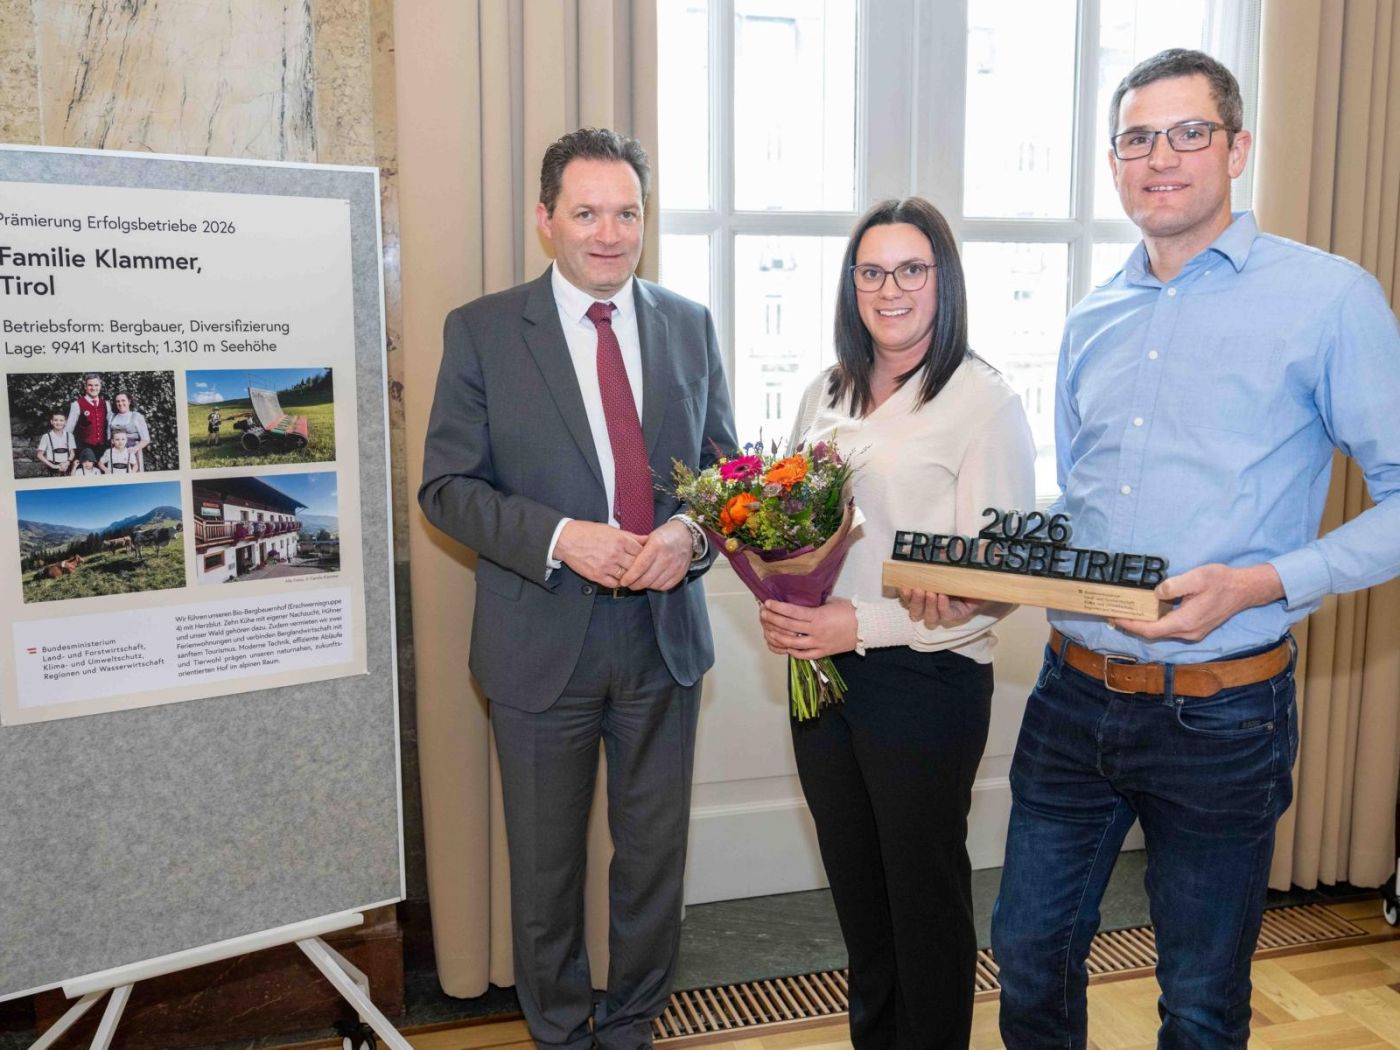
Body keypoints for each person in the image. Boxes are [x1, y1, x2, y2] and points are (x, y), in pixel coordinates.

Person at [991, 49, 1400, 1049]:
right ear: (1112, 163)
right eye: (1136, 138)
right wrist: (992, 569)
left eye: (1187, 133)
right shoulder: (1093, 315)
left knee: (1201, 1000)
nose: (1160, 157)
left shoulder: (1329, 299)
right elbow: (1085, 502)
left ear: (1237, 148)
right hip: (1069, 697)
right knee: (1028, 960)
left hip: (1222, 717)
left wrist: (1261, 582)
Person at [418, 127, 737, 1050]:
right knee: (545, 872)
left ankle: (631, 1026)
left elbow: (727, 474)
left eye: (627, 213)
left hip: (663, 641)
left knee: (653, 863)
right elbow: (447, 488)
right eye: (587, 212)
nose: (609, 233)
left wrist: (688, 534)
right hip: (538, 644)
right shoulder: (483, 330)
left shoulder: (689, 324)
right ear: (546, 219)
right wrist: (562, 538)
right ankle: (559, 1033)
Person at [758, 197, 1035, 1049]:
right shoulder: (827, 390)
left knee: (923, 904)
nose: (891, 289)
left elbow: (1001, 578)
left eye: (912, 269)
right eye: (872, 271)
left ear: (943, 279)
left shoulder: (984, 401)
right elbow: (786, 524)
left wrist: (862, 624)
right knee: (861, 903)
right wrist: (785, 597)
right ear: (852, 285)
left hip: (927, 680)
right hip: (821, 679)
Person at [66, 373, 110, 462]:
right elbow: (69, 429)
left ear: (100, 386)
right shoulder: (77, 404)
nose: (93, 388)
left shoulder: (106, 404)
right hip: (84, 447)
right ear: (85, 387)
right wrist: (70, 449)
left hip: (102, 447)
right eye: (90, 385)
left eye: (96, 385)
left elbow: (109, 427)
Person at [108, 391, 151, 470]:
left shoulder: (137, 416)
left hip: (132, 452)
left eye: (123, 400)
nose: (120, 403)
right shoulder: (112, 416)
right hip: (115, 452)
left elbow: (146, 439)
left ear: (129, 401)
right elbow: (109, 436)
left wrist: (134, 449)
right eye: (118, 401)